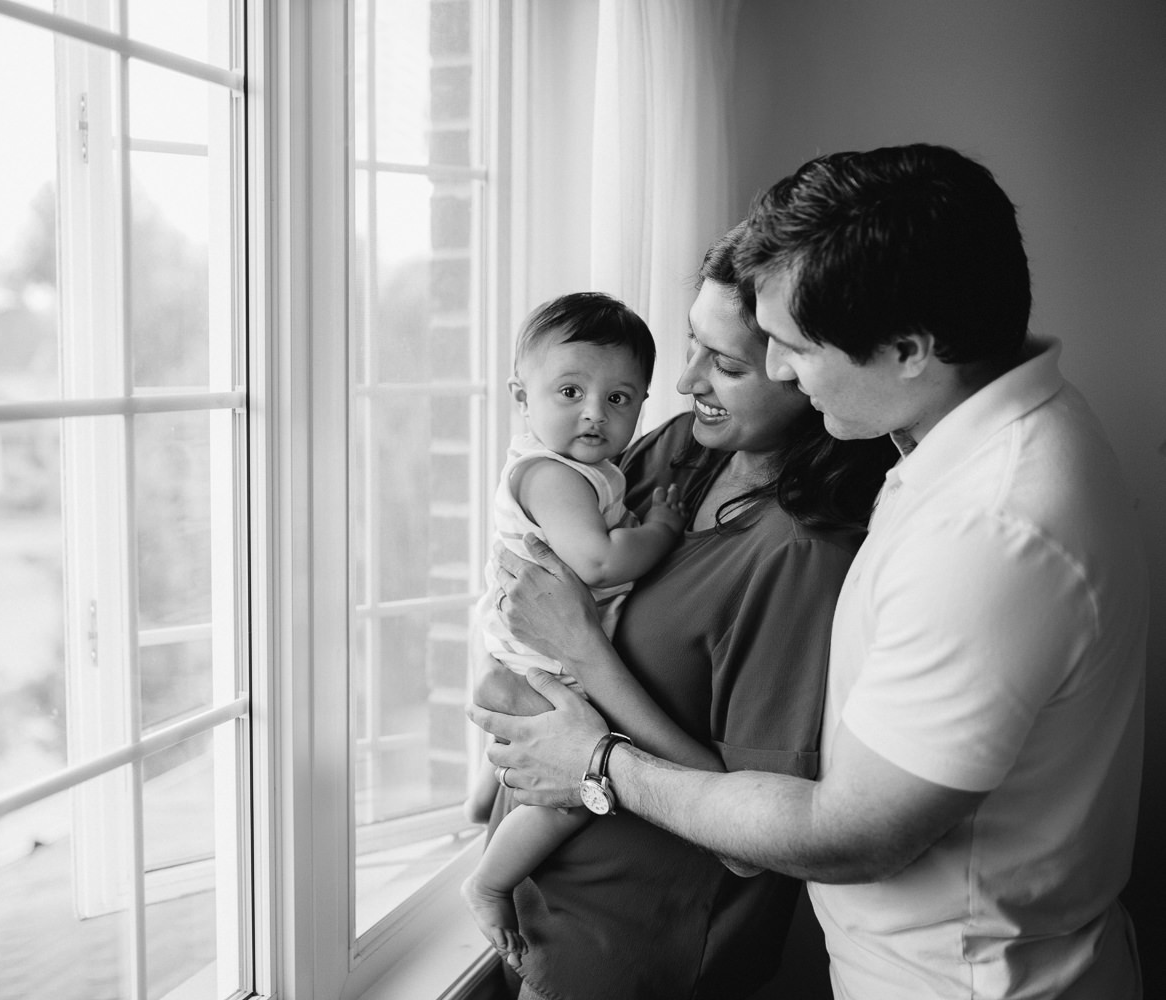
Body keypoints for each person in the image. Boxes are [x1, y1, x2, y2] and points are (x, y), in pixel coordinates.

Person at [472, 144, 1149, 1000]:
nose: (780, 367)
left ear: (908, 349)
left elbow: (851, 832)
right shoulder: (935, 450)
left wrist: (596, 761)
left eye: (789, 348)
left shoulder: (991, 531)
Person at [470, 226, 895, 999]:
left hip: (634, 945)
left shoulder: (799, 555)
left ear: (806, 372)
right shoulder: (684, 451)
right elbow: (553, 559)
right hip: (540, 907)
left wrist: (588, 662)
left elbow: (756, 843)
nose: (686, 381)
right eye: (691, 345)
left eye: (725, 365)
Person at [460, 291, 696, 961]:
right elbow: (594, 562)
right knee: (568, 795)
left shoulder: (589, 471)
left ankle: (485, 796)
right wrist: (662, 530)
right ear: (522, 396)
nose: (595, 411)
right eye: (570, 390)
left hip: (524, 650)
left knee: (523, 739)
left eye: (620, 398)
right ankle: (489, 882)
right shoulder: (552, 476)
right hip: (541, 660)